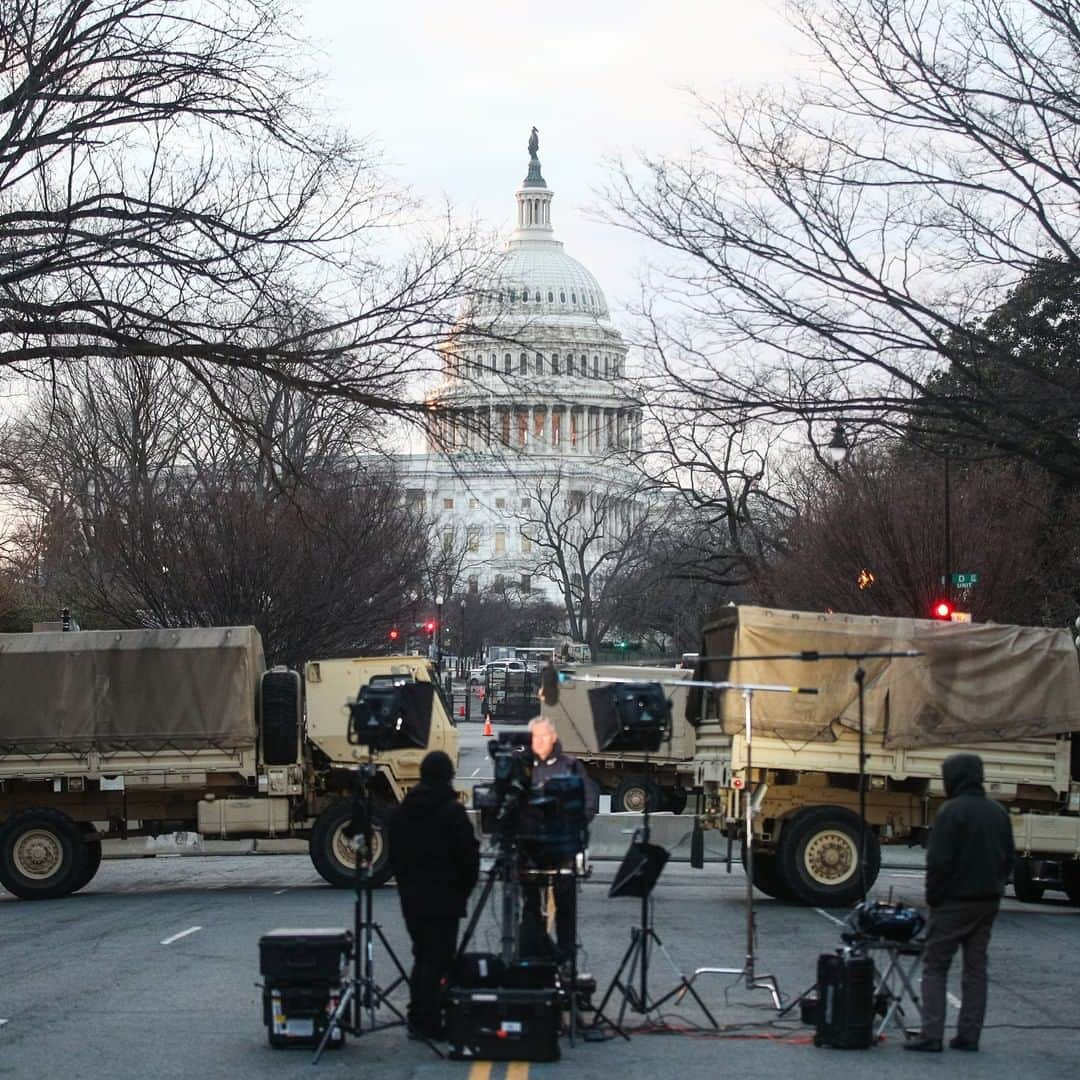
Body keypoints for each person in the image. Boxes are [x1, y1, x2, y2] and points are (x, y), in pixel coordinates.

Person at [904, 752, 1014, 1053]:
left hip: (954, 900)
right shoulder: (998, 812)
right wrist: (997, 886)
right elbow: (1009, 857)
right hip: (987, 901)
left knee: (935, 965)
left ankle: (932, 1033)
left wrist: (934, 898)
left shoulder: (950, 812)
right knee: (976, 968)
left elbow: (938, 862)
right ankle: (969, 1034)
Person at [387, 750, 479, 1040]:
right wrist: (461, 892)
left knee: (422, 955)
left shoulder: (403, 812)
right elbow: (469, 859)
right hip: (445, 898)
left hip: (412, 899)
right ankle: (430, 1019)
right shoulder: (451, 811)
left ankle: (419, 1015)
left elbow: (395, 858)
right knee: (438, 958)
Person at [521, 715, 597, 964]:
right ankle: (531, 955)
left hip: (563, 847)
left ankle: (565, 960)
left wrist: (573, 827)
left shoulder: (571, 766)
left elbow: (589, 802)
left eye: (544, 736)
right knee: (530, 908)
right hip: (530, 848)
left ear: (553, 738)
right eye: (535, 737)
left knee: (565, 907)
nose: (539, 741)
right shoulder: (522, 766)